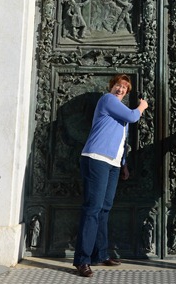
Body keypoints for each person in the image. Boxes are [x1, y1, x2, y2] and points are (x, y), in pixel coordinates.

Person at [73, 74, 148, 278]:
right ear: (111, 86)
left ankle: (101, 254)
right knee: (93, 209)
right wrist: (142, 106)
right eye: (118, 85)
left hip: (112, 163)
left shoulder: (119, 111)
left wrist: (123, 164)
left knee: (104, 209)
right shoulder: (107, 100)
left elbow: (120, 140)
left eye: (125, 87)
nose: (121, 89)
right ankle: (82, 260)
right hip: (96, 158)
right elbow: (134, 117)